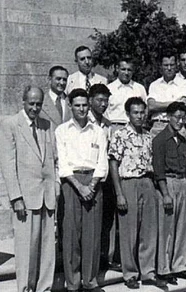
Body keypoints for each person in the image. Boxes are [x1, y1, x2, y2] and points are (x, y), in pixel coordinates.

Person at [0, 86, 58, 292]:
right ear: (23, 102)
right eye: (31, 103)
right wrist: (16, 197)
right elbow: (8, 164)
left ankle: (44, 288)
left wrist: (56, 187)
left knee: (47, 248)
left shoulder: (46, 125)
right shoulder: (10, 125)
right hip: (25, 197)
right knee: (26, 249)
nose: (35, 108)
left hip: (47, 196)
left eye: (39, 104)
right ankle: (25, 288)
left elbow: (53, 160)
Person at [108, 97, 165, 289]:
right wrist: (119, 193)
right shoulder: (120, 135)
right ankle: (130, 273)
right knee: (129, 232)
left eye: (142, 112)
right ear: (128, 114)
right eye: (136, 112)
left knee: (148, 231)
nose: (140, 116)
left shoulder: (148, 136)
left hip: (147, 183)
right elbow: (113, 164)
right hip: (128, 183)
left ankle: (148, 272)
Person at [55, 88, 108, 292]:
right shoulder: (62, 130)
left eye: (85, 105)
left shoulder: (98, 131)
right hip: (71, 182)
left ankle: (90, 281)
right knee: (71, 234)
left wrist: (92, 185)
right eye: (77, 105)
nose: (81, 109)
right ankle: (73, 283)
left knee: (92, 234)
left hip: (94, 182)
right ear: (70, 106)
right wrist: (79, 186)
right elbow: (63, 163)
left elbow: (102, 162)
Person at [152, 102, 186, 284]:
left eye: (183, 118)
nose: (180, 121)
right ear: (168, 117)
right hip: (168, 184)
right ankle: (164, 268)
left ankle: (179, 266)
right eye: (177, 117)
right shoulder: (160, 139)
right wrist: (165, 194)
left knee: (182, 227)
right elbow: (158, 170)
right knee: (167, 229)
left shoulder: (182, 140)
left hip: (182, 183)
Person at [87, 84, 119, 271]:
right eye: (99, 100)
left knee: (107, 219)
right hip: (89, 176)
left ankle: (105, 258)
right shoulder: (84, 121)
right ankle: (88, 258)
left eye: (106, 100)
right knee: (90, 219)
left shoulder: (108, 124)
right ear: (90, 101)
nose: (103, 104)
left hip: (105, 177)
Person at [147, 50, 186, 136]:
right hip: (158, 126)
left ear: (176, 66)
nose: (169, 68)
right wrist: (174, 104)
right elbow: (151, 106)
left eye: (172, 65)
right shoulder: (154, 85)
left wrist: (159, 105)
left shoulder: (184, 84)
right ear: (161, 67)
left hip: (178, 126)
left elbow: (182, 106)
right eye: (166, 65)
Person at [106, 58, 147, 127]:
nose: (126, 73)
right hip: (115, 126)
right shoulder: (109, 89)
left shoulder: (140, 88)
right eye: (123, 69)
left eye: (129, 70)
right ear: (117, 69)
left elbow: (145, 110)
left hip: (135, 127)